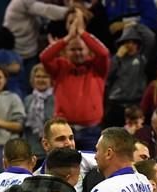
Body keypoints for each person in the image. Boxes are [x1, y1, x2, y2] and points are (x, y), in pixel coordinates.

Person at [40, 8, 109, 151]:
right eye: (73, 49)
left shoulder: (97, 67)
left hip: (91, 130)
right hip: (64, 130)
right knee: (62, 168)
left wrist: (82, 33)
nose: (77, 53)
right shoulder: (59, 67)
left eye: (80, 49)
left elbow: (103, 53)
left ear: (88, 51)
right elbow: (44, 57)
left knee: (92, 170)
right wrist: (68, 37)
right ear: (65, 51)